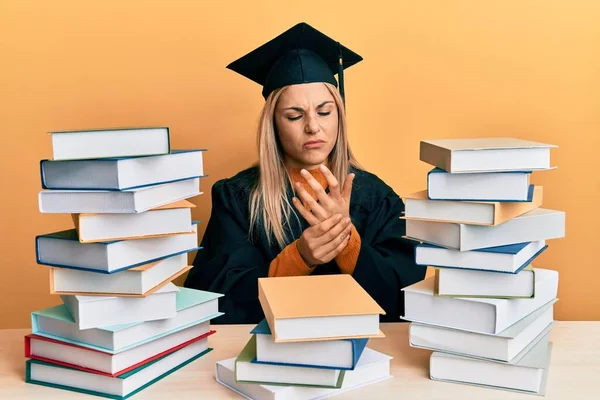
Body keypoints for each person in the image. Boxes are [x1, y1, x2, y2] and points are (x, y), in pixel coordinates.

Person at [184, 22, 426, 324]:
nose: (313, 126)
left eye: (324, 112)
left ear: (340, 116)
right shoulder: (239, 198)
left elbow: (407, 299)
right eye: (294, 116)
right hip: (268, 351)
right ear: (273, 124)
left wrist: (347, 245)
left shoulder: (375, 196)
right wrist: (299, 258)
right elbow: (213, 303)